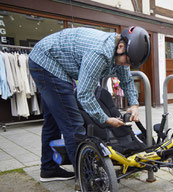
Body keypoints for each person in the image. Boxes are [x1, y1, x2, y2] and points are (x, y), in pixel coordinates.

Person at [28, 26, 151, 182]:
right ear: (121, 47)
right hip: (46, 62)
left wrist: (134, 105)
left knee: (54, 120)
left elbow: (126, 80)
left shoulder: (121, 49)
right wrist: (105, 119)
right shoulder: (99, 54)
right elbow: (84, 95)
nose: (127, 66)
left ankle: (48, 169)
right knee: (73, 123)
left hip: (49, 60)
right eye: (127, 61)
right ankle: (87, 180)